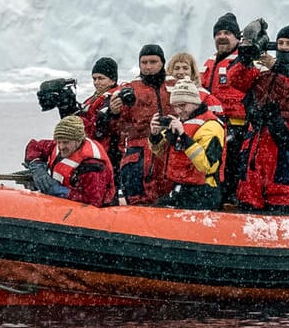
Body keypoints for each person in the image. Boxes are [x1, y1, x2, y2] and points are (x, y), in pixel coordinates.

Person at [226, 23, 289, 210]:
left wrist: (279, 67)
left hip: (287, 138)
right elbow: (236, 80)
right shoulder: (262, 67)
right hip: (257, 137)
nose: (282, 47)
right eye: (280, 43)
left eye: (288, 44)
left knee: (283, 192)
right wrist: (245, 57)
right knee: (249, 191)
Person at [108, 43, 174, 205]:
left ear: (162, 63)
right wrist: (114, 112)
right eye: (144, 63)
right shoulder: (130, 90)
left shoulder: (174, 86)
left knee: (168, 198)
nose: (148, 67)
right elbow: (117, 128)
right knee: (138, 200)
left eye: (153, 62)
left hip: (168, 149)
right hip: (138, 153)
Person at [202, 12, 258, 199]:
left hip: (237, 128)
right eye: (218, 34)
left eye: (227, 33)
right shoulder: (209, 63)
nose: (222, 37)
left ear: (237, 37)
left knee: (233, 172)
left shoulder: (244, 61)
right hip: (212, 128)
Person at [152, 78, 226, 209]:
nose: (179, 111)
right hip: (181, 189)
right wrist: (155, 134)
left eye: (183, 105)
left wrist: (184, 138)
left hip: (204, 191)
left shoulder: (211, 126)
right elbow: (158, 151)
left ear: (195, 102)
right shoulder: (181, 122)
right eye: (175, 106)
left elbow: (206, 165)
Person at [23, 116, 116, 207]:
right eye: (59, 142)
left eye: (66, 142)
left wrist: (60, 191)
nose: (61, 147)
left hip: (90, 213)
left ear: (78, 141)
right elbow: (34, 146)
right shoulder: (57, 146)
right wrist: (38, 168)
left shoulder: (93, 166)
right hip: (59, 204)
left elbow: (94, 201)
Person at [81, 56, 125, 159]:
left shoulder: (115, 98)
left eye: (101, 78)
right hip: (94, 148)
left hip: (109, 151)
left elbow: (103, 128)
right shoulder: (93, 99)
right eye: (94, 78)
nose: (96, 82)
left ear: (112, 80)